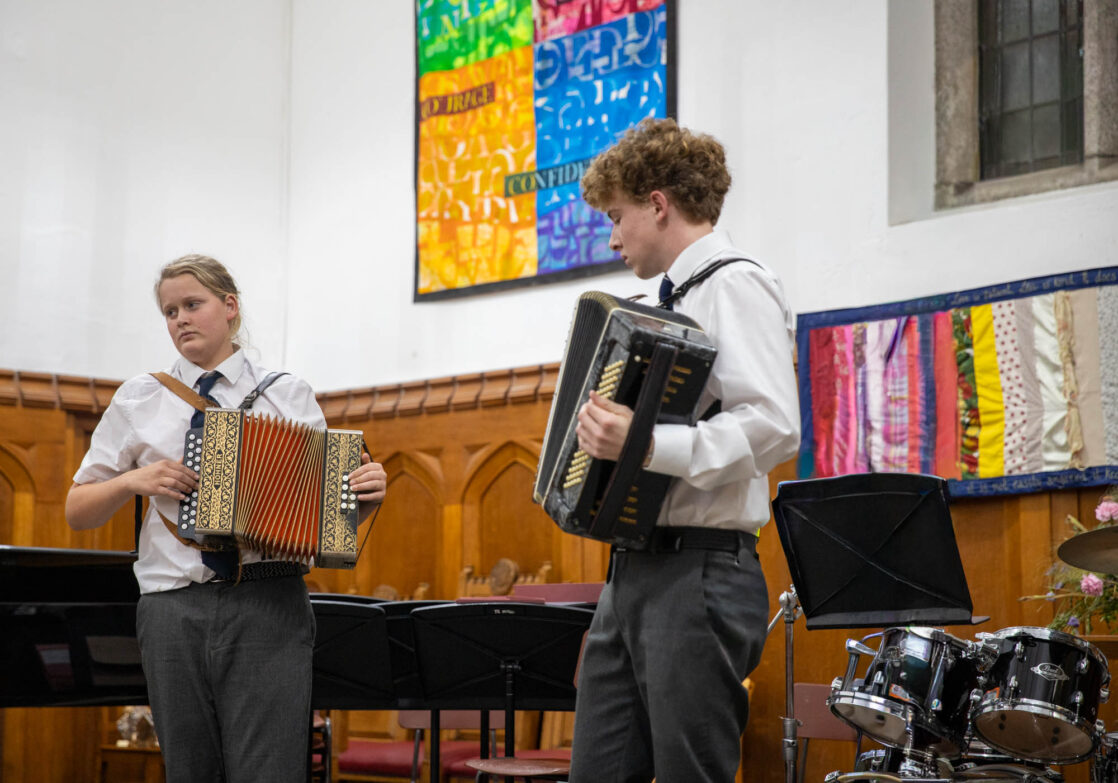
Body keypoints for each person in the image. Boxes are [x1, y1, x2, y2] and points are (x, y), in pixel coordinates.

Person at [65, 254, 387, 783]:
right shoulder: (140, 397)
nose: (180, 319)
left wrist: (363, 497)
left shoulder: (287, 393)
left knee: (271, 772)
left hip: (269, 600)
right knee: (189, 771)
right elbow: (77, 511)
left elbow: (325, 518)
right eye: (170, 312)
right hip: (172, 607)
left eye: (192, 304)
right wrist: (132, 481)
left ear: (230, 306)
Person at [569, 118, 801, 782]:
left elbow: (775, 424)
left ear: (658, 204)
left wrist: (644, 444)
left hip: (700, 571)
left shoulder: (736, 284)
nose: (612, 237)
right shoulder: (658, 302)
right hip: (632, 570)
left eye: (617, 216)